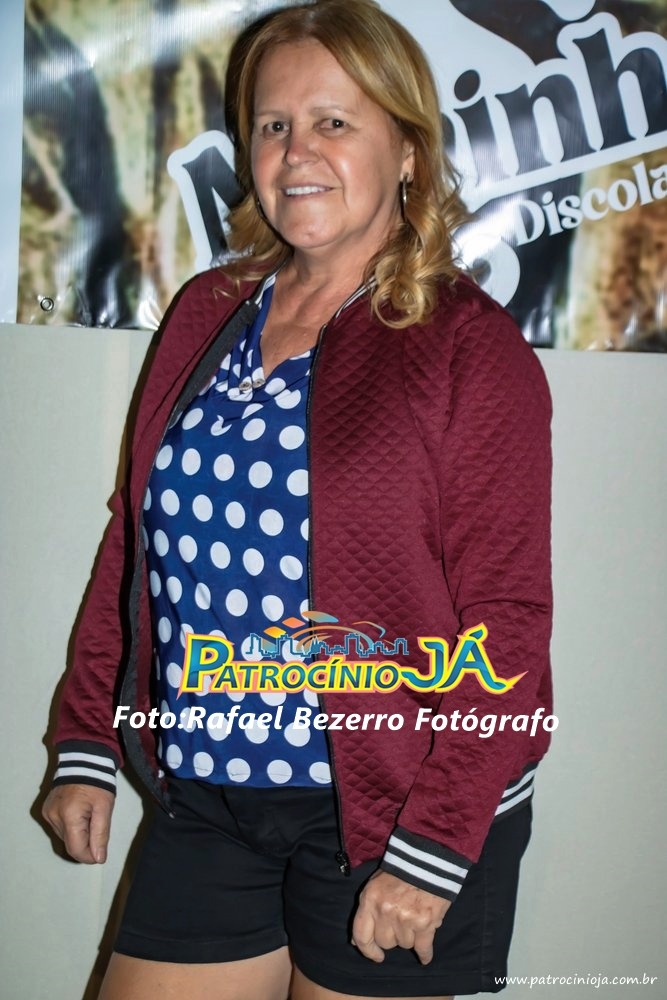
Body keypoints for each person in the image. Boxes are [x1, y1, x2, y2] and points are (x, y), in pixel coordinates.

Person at [41, 1, 553, 998]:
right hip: (209, 789)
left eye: (334, 121)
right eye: (272, 124)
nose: (295, 151)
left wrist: (434, 846)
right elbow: (133, 544)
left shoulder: (465, 345)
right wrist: (89, 737)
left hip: (393, 807)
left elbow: (510, 621)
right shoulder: (207, 311)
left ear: (407, 151)